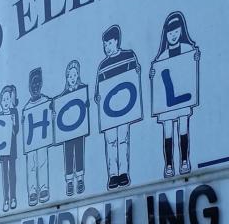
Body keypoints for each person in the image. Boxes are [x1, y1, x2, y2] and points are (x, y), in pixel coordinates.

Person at [149, 11, 201, 176]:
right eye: (170, 33)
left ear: (181, 32)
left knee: (183, 128)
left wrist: (196, 57)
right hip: (166, 103)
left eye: (176, 32)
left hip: (183, 98)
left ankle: (185, 160)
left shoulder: (187, 49)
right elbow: (158, 78)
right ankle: (169, 164)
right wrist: (152, 75)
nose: (173, 35)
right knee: (168, 131)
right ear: (166, 34)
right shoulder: (162, 57)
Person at [94, 25, 141, 189]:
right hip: (108, 112)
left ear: (116, 41)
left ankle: (124, 173)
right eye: (105, 44)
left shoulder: (129, 55)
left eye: (109, 43)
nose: (107, 47)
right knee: (111, 141)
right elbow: (98, 92)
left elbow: (135, 77)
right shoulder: (102, 65)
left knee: (123, 139)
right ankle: (113, 175)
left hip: (125, 108)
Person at [54, 60, 87, 196]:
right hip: (66, 132)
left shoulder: (82, 90)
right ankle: (69, 181)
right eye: (70, 76)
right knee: (68, 155)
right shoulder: (62, 96)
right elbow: (56, 106)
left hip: (79, 130)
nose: (72, 79)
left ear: (78, 75)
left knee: (79, 152)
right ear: (66, 78)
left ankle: (80, 179)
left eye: (74, 76)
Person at [23, 67, 52, 206]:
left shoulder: (47, 101)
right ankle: (32, 191)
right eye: (32, 83)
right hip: (30, 143)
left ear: (41, 84)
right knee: (31, 166)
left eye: (37, 83)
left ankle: (44, 188)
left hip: (42, 140)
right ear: (29, 86)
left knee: (42, 162)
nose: (35, 86)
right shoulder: (26, 107)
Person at [0, 85, 19, 212]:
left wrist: (14, 122)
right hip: (1, 150)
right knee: (4, 174)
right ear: (0, 102)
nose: (5, 102)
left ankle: (13, 198)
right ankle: (5, 198)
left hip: (12, 149)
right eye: (3, 100)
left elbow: (16, 131)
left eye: (7, 99)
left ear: (10, 100)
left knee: (12, 173)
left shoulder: (14, 112)